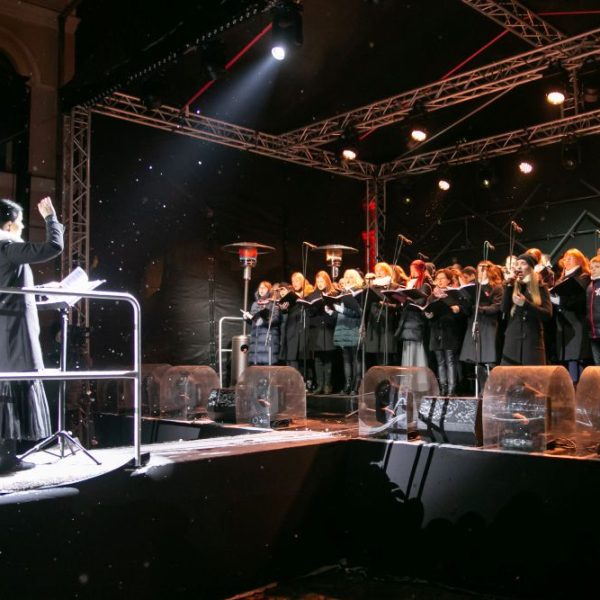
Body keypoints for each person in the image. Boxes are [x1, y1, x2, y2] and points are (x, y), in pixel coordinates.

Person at [0, 197, 64, 473]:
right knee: (11, 390)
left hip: (6, 329)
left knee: (7, 389)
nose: (23, 227)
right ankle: (5, 457)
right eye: (21, 222)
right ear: (9, 224)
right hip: (12, 332)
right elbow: (54, 247)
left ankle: (6, 455)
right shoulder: (7, 247)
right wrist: (51, 218)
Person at [500, 253, 552, 366]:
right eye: (517, 264)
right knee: (511, 375)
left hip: (532, 342)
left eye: (523, 263)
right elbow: (503, 308)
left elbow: (547, 314)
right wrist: (509, 286)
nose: (518, 267)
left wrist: (526, 304)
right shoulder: (512, 286)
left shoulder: (540, 287)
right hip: (512, 340)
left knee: (532, 375)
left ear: (531, 268)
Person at [459, 261, 503, 392]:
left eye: (483, 269)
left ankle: (493, 390)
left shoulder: (496, 287)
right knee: (477, 360)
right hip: (475, 323)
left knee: (489, 359)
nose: (480, 272)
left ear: (490, 271)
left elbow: (497, 307)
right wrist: (463, 300)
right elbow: (467, 311)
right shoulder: (474, 287)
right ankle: (482, 391)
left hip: (489, 325)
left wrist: (481, 309)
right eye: (479, 270)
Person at [551, 248, 591, 382]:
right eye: (565, 258)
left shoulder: (583, 277)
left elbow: (580, 300)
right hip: (562, 324)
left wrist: (560, 301)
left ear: (579, 260)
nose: (566, 261)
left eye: (570, 258)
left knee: (576, 359)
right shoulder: (561, 278)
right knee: (566, 360)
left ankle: (579, 389)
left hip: (576, 323)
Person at [424, 268, 462, 395]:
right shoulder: (432, 296)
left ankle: (452, 389)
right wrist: (428, 315)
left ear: (449, 280)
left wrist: (457, 309)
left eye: (442, 278)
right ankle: (443, 388)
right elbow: (428, 310)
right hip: (436, 330)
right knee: (440, 361)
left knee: (450, 360)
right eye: (437, 279)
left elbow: (461, 311)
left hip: (449, 330)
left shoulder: (453, 294)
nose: (439, 281)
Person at [332, 269, 363, 395]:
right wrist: (333, 311)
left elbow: (358, 313)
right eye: (346, 277)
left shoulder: (359, 292)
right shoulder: (342, 293)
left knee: (355, 358)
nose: (348, 279)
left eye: (351, 277)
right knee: (346, 359)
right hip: (342, 327)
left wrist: (342, 310)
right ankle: (347, 385)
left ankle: (356, 385)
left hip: (353, 327)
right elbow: (340, 312)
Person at [307, 271, 338, 395]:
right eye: (318, 281)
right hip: (316, 330)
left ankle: (327, 385)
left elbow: (336, 314)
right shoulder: (312, 295)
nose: (320, 284)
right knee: (318, 358)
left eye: (322, 281)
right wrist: (314, 307)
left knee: (328, 358)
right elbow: (309, 313)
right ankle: (319, 384)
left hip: (328, 329)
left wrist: (329, 310)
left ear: (327, 281)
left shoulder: (333, 294)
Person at [243, 281, 280, 366]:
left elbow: (275, 319)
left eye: (264, 288)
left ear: (269, 290)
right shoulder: (255, 304)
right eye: (260, 288)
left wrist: (264, 318)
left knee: (267, 366)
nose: (261, 290)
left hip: (267, 339)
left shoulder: (273, 303)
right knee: (256, 366)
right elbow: (253, 321)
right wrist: (247, 318)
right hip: (256, 339)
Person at [587, 256, 600, 365]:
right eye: (591, 267)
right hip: (593, 333)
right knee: (597, 366)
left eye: (597, 267)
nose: (593, 269)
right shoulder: (590, 286)